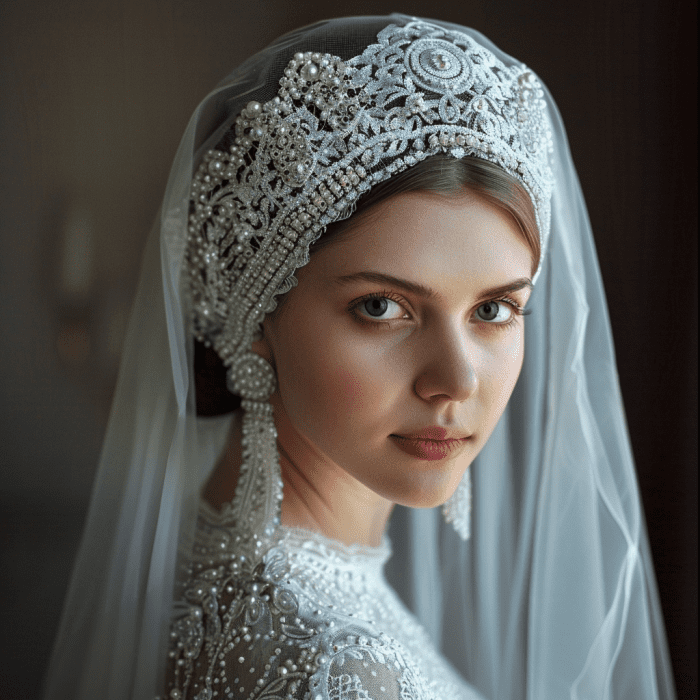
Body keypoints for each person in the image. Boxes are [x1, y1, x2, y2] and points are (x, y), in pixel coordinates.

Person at [43, 14, 676, 700]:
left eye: (494, 309)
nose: (456, 380)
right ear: (254, 314)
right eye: (382, 307)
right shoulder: (338, 674)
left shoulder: (204, 582)